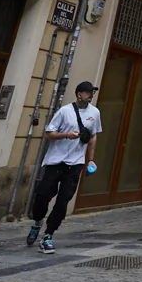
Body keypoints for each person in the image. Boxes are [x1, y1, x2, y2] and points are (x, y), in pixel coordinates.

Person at [26, 80, 102, 253]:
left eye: (92, 92)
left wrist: (90, 159)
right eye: (88, 92)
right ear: (79, 94)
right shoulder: (64, 111)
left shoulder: (94, 113)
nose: (91, 95)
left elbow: (92, 137)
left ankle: (48, 236)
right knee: (42, 195)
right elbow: (49, 133)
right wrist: (66, 135)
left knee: (63, 201)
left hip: (75, 163)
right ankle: (38, 221)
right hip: (55, 161)